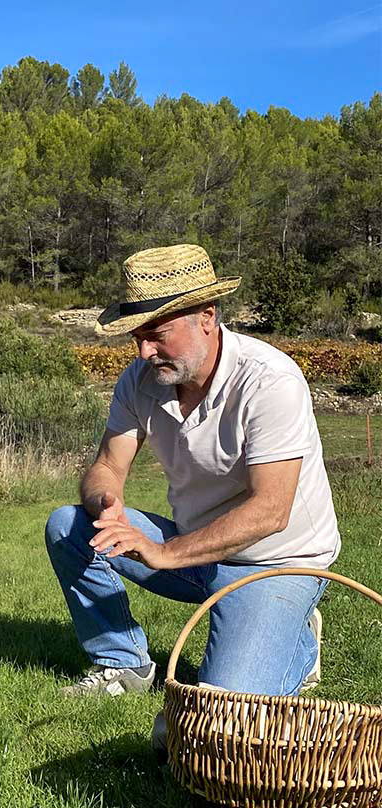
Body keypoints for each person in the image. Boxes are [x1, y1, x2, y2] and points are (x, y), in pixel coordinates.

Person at [44, 244, 339, 744]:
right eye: (137, 337)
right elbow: (108, 465)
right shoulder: (141, 380)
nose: (143, 352)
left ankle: (296, 642)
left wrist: (164, 551)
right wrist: (105, 503)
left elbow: (271, 510)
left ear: (207, 317)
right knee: (69, 527)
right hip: (194, 546)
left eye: (157, 336)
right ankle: (123, 662)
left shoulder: (270, 381)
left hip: (275, 561)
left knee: (218, 724)